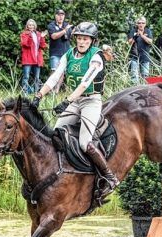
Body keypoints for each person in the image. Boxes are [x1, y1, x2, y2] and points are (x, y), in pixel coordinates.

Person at [31, 22, 119, 198]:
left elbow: (85, 83)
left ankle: (109, 177)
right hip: (75, 102)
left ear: (91, 41)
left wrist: (66, 101)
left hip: (91, 102)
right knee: (56, 133)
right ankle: (65, 172)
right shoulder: (69, 54)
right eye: (79, 38)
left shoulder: (96, 57)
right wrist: (39, 96)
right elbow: (55, 77)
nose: (81, 41)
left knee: (84, 142)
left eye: (85, 39)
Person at [47, 9, 73, 92]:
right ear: (55, 16)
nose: (60, 16)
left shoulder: (67, 25)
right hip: (55, 53)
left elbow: (71, 35)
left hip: (66, 53)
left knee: (62, 72)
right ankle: (50, 90)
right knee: (54, 71)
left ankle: (56, 91)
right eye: (59, 15)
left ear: (64, 16)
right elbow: (54, 36)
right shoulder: (51, 25)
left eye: (62, 15)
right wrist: (64, 30)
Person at [20, 19, 47, 94]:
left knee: (37, 78)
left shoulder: (38, 34)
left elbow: (43, 46)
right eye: (29, 25)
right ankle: (24, 92)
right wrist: (30, 36)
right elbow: (26, 44)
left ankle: (36, 93)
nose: (31, 26)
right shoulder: (24, 34)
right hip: (28, 58)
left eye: (32, 25)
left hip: (37, 59)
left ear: (35, 26)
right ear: (27, 26)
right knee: (26, 77)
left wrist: (42, 37)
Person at [127, 16, 153, 84]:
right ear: (137, 24)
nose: (141, 24)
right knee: (134, 77)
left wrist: (142, 35)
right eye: (139, 23)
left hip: (145, 57)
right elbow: (129, 42)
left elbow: (150, 42)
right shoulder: (133, 31)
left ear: (145, 24)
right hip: (134, 57)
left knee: (145, 77)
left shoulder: (148, 31)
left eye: (142, 23)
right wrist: (135, 36)